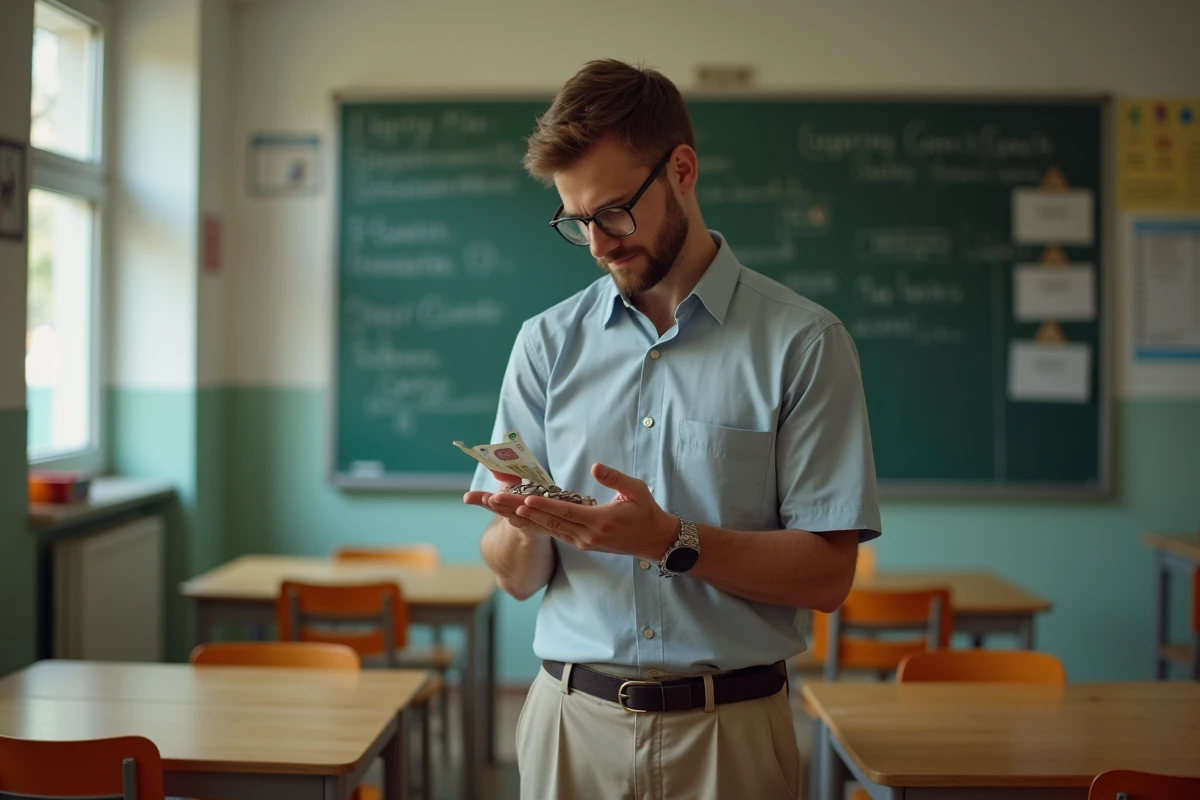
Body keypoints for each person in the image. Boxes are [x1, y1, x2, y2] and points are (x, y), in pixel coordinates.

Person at [463, 59, 882, 800]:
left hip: (732, 737)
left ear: (681, 169)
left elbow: (827, 575)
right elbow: (517, 578)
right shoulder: (545, 344)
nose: (598, 242)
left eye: (615, 211)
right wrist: (524, 525)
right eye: (576, 221)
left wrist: (667, 540)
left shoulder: (804, 344)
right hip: (571, 730)